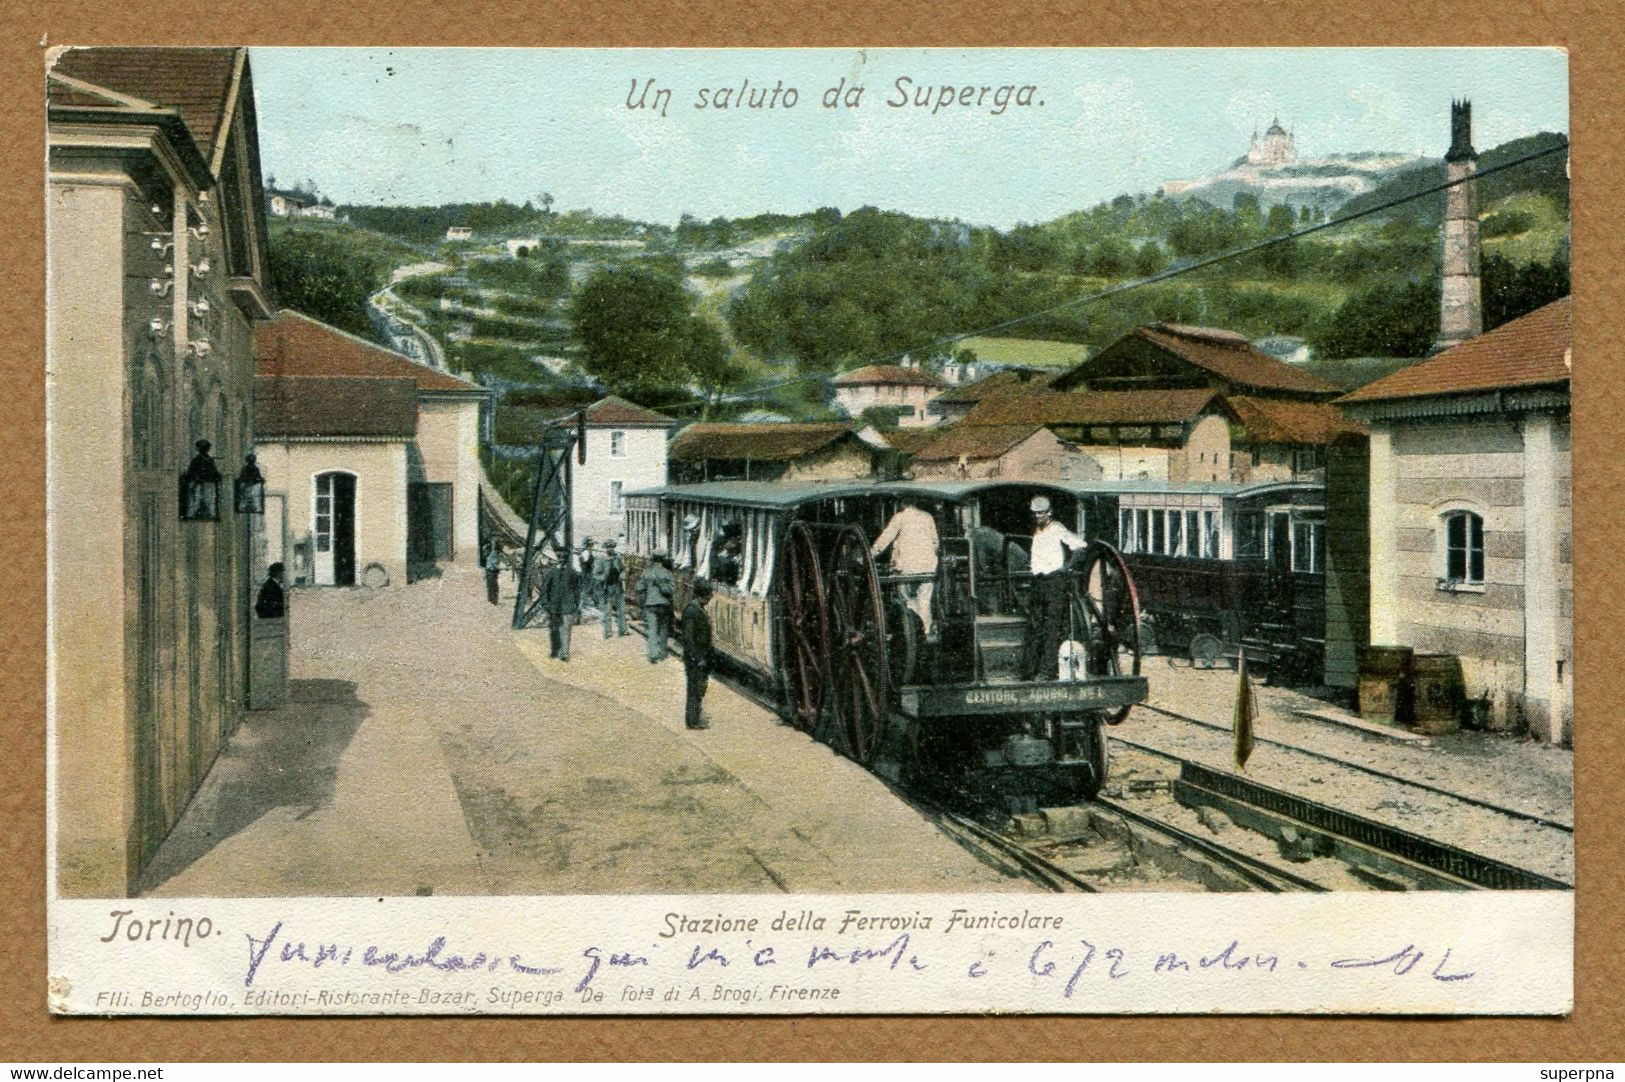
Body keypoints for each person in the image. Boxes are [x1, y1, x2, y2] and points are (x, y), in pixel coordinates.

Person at [1022, 495, 1086, 680]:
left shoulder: (1057, 528)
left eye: (1041, 513)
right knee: (1035, 626)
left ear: (1049, 513)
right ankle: (1030, 670)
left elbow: (1080, 546)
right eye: (1035, 514)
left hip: (1054, 582)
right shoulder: (1037, 531)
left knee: (1051, 628)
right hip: (1038, 582)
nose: (1038, 517)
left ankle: (1046, 671)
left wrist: (1066, 569)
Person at [871, 500, 939, 637]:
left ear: (903, 504)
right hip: (928, 566)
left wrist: (871, 554)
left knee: (906, 598)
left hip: (907, 567)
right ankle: (926, 631)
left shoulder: (900, 517)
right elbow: (935, 542)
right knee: (924, 599)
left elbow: (885, 538)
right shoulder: (928, 517)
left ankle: (912, 631)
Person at [681, 578, 715, 730]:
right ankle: (693, 721)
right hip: (695, 659)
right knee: (695, 689)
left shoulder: (698, 609)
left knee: (699, 688)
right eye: (709, 595)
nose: (710, 598)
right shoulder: (692, 611)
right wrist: (697, 658)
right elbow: (688, 639)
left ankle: (695, 718)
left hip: (700, 657)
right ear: (703, 595)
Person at [539, 549, 580, 661]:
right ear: (557, 558)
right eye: (560, 557)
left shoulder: (572, 572)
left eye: (564, 557)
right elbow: (544, 589)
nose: (562, 559)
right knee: (554, 629)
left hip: (568, 606)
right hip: (554, 606)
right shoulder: (551, 572)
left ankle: (565, 653)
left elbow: (576, 589)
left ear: (566, 559)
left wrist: (577, 603)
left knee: (566, 629)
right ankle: (555, 651)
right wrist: (545, 604)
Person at [642, 554, 676, 663]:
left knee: (652, 629)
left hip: (650, 604)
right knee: (663, 628)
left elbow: (640, 588)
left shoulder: (646, 572)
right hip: (664, 605)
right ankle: (662, 653)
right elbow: (670, 591)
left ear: (653, 559)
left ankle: (652, 654)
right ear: (663, 559)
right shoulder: (668, 573)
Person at [596, 539, 629, 638]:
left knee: (621, 609)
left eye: (612, 547)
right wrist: (603, 578)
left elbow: (623, 569)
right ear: (605, 548)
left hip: (618, 586)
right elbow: (596, 574)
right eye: (608, 547)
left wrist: (623, 575)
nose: (610, 549)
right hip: (607, 588)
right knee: (607, 611)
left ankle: (623, 630)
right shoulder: (601, 559)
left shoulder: (617, 558)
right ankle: (607, 632)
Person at [577, 538, 598, 616]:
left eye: (592, 545)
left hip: (588, 574)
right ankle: (581, 609)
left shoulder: (588, 553)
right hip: (586, 575)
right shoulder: (585, 553)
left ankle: (584, 607)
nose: (592, 547)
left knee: (588, 591)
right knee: (585, 591)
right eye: (590, 545)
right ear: (587, 545)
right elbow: (585, 564)